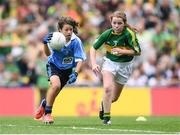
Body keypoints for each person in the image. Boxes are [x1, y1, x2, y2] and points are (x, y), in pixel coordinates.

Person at [90, 11, 141, 125]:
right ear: (111, 23)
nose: (116, 26)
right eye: (114, 23)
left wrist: (121, 51)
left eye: (119, 23)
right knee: (107, 88)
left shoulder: (129, 34)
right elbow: (93, 48)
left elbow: (137, 52)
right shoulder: (107, 34)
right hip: (110, 63)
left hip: (125, 66)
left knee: (114, 98)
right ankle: (107, 118)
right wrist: (93, 64)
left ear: (124, 23)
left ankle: (103, 104)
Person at [34, 16, 86, 124]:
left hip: (67, 70)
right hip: (54, 65)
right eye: (66, 29)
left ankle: (44, 104)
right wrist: (45, 44)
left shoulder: (76, 41)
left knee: (55, 92)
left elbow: (80, 59)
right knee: (55, 85)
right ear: (60, 30)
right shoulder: (54, 38)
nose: (69, 32)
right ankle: (48, 114)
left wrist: (75, 73)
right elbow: (48, 54)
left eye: (71, 29)